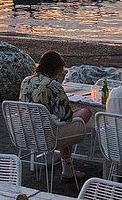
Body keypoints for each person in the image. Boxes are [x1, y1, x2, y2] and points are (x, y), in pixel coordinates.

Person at [19, 51, 92, 182]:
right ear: (56, 69)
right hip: (49, 134)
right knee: (85, 112)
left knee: (71, 114)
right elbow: (66, 117)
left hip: (26, 130)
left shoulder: (26, 81)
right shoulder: (53, 85)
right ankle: (67, 168)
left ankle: (67, 168)